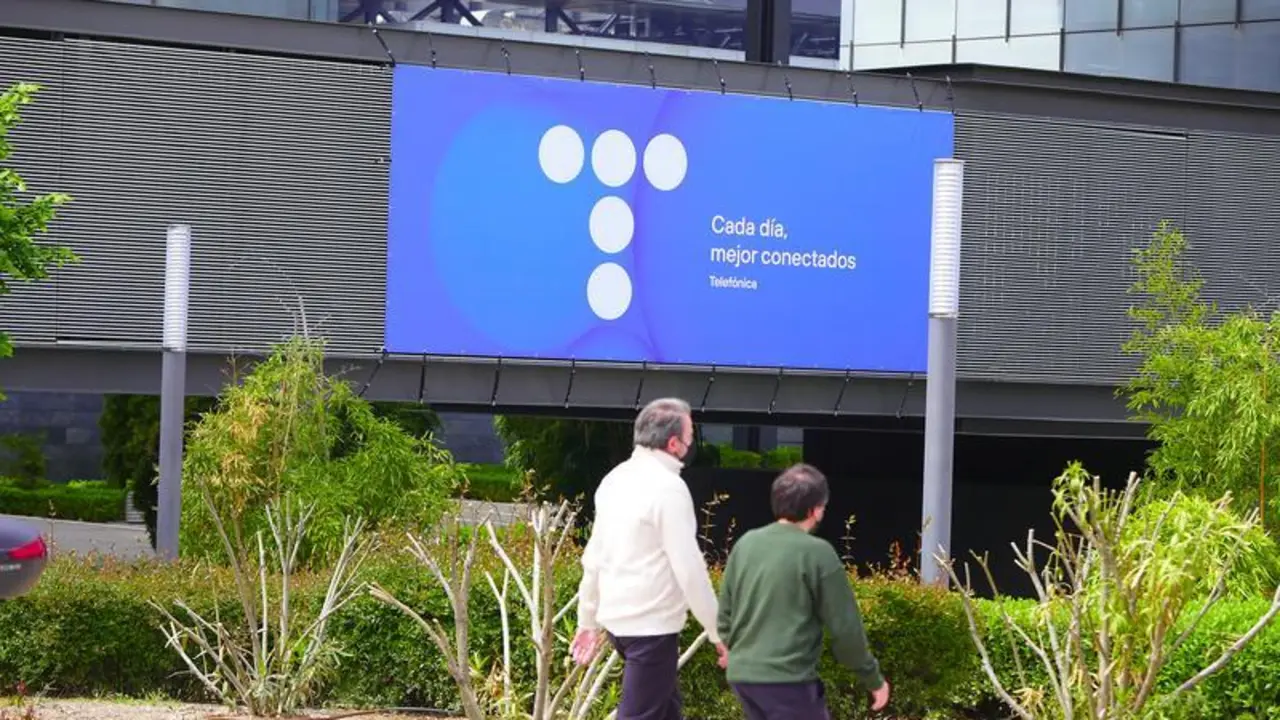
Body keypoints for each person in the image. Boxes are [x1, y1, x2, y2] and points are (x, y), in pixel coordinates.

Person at [570, 397, 727, 720]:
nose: (692, 444)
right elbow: (690, 570)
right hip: (650, 629)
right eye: (690, 436)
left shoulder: (614, 479)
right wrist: (718, 632)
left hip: (618, 624)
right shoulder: (669, 489)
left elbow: (594, 556)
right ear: (674, 444)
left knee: (667, 711)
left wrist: (587, 620)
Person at [716, 463, 890, 719]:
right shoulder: (818, 553)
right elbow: (845, 629)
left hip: (743, 676)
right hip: (787, 679)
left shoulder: (746, 543)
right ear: (815, 510)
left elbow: (724, 614)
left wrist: (732, 649)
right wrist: (872, 678)